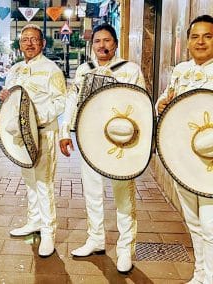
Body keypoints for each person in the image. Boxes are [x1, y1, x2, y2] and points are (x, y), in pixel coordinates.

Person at [59, 23, 145, 273]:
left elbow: (141, 105)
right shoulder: (84, 70)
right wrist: (66, 132)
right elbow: (72, 101)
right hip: (90, 138)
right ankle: (95, 239)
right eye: (97, 41)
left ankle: (125, 249)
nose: (102, 46)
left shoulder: (130, 70)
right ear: (92, 44)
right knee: (92, 192)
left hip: (121, 141)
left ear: (115, 44)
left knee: (123, 194)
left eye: (107, 41)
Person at [0, 24, 66, 257]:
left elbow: (60, 102)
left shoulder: (52, 69)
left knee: (44, 183)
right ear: (20, 44)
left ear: (42, 43)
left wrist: (36, 119)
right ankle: (34, 221)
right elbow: (10, 99)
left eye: (34, 39)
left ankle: (49, 233)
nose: (29, 43)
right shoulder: (14, 70)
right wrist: (4, 97)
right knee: (28, 179)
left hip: (44, 132)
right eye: (25, 39)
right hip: (20, 135)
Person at [156, 15, 213, 284]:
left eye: (208, 36)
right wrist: (162, 105)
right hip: (181, 158)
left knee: (211, 226)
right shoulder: (180, 71)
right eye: (195, 36)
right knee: (193, 222)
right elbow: (164, 102)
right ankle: (199, 274)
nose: (200, 42)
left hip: (210, 162)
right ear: (187, 41)